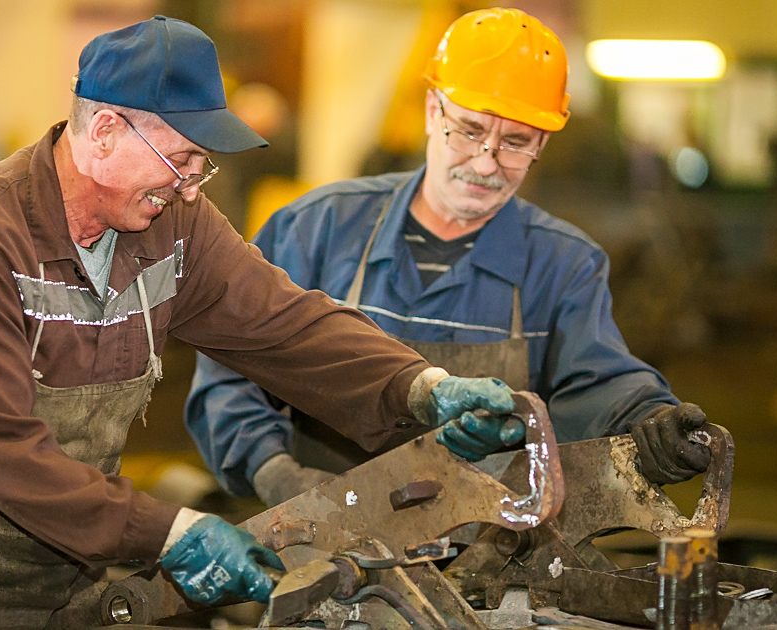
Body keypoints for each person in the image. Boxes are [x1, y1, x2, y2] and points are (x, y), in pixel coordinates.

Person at [0, 15, 536, 629]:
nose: (192, 185)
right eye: (183, 159)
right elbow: (0, 451)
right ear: (104, 131)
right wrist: (172, 531)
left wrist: (421, 387)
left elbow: (286, 325)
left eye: (202, 166)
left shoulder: (175, 224)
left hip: (69, 568)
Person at [185, 8, 714, 508]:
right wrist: (275, 475)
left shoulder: (565, 264)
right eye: (470, 130)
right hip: (323, 543)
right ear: (432, 109)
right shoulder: (319, 228)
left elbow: (597, 381)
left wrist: (651, 417)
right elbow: (232, 374)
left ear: (542, 144)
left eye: (516, 141)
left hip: (492, 558)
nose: (486, 163)